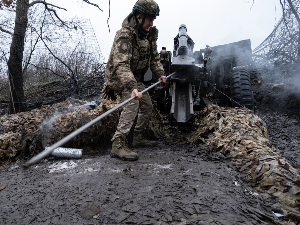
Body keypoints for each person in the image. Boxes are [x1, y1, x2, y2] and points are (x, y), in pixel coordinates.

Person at [103, 0, 167, 161]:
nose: (152, 23)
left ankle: (138, 137)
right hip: (120, 78)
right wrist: (132, 87)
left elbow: (154, 58)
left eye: (153, 19)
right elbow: (121, 65)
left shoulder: (150, 35)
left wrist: (160, 73)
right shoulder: (125, 35)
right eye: (149, 19)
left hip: (134, 78)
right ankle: (117, 144)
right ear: (139, 17)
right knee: (133, 102)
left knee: (147, 104)